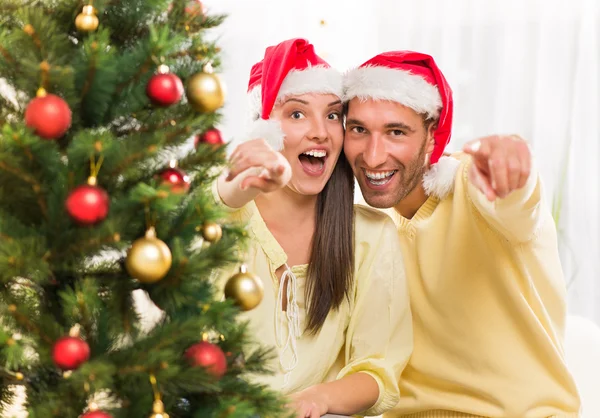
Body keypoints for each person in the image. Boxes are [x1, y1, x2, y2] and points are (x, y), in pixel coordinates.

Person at [342, 51, 581, 417]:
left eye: (396, 132)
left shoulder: (475, 186)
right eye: (359, 130)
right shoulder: (364, 229)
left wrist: (515, 167)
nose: (373, 157)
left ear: (433, 136)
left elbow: (519, 204)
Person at [214, 39, 413, 418]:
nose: (321, 132)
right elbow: (215, 200)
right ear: (266, 130)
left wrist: (317, 398)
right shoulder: (223, 220)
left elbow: (377, 370)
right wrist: (238, 182)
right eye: (297, 114)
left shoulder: (369, 237)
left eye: (333, 116)